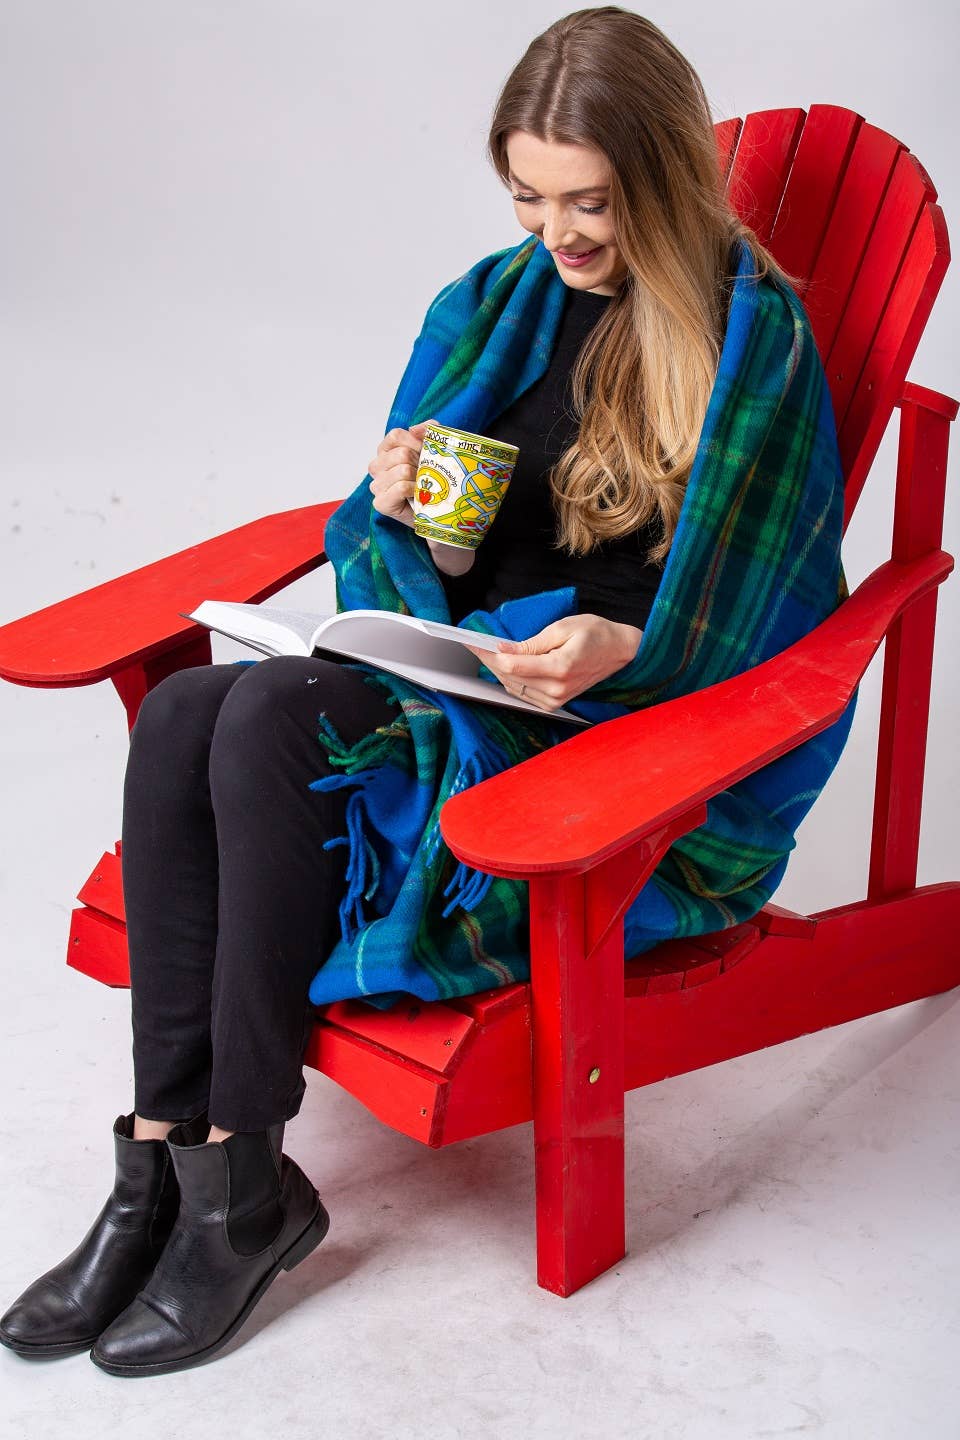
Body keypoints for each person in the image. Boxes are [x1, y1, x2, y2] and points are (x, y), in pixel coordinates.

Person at [0, 6, 840, 1377]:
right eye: (531, 197)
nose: (559, 235)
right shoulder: (493, 306)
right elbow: (414, 553)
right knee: (178, 711)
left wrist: (622, 649)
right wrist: (415, 523)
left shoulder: (752, 347)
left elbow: (766, 602)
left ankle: (248, 1178)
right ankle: (160, 1166)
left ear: (666, 177)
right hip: (462, 668)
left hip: (612, 729)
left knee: (265, 719)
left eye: (593, 202)